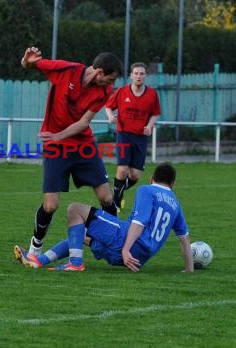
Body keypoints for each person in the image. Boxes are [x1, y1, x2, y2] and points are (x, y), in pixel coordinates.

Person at [19, 46, 123, 257]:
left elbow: (84, 122)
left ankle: (119, 245)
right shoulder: (65, 70)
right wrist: (26, 60)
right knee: (51, 205)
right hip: (56, 147)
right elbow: (30, 64)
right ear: (99, 71)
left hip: (83, 145)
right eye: (110, 79)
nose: (112, 85)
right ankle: (34, 250)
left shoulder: (104, 92)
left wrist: (59, 135)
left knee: (106, 198)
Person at [14, 162, 194, 272]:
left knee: (75, 210)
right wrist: (189, 270)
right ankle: (39, 261)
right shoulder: (176, 205)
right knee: (80, 236)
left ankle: (75, 264)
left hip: (124, 246)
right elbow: (185, 240)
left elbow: (140, 222)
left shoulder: (147, 190)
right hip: (138, 260)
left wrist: (126, 249)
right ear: (173, 184)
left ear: (152, 178)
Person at [105, 62, 161, 210]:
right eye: (136, 73)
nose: (138, 76)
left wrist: (149, 126)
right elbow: (108, 107)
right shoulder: (122, 92)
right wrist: (110, 116)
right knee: (122, 170)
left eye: (141, 73)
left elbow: (155, 113)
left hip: (140, 138)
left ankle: (117, 192)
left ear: (146, 76)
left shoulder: (152, 94)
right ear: (131, 76)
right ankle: (115, 203)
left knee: (135, 175)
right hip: (124, 135)